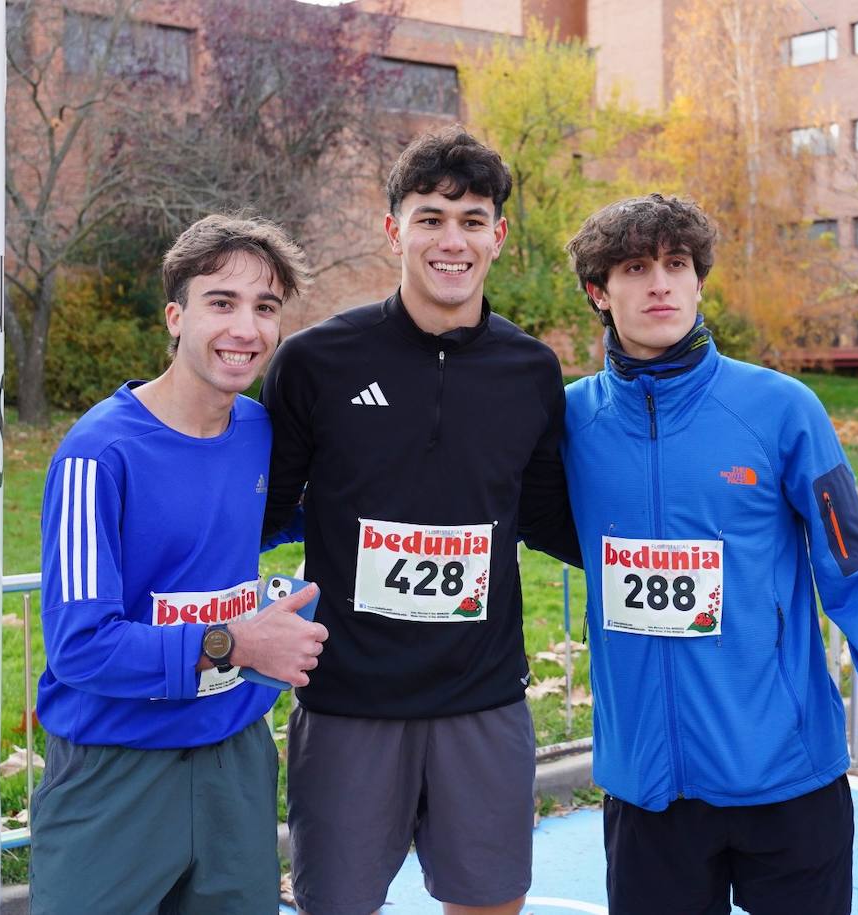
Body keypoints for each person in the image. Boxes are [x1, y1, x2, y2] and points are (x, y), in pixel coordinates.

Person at [561, 194, 858, 915]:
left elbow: (857, 572)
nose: (660, 284)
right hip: (648, 791)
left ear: (700, 281)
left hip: (787, 783)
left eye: (676, 264)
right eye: (635, 268)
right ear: (598, 292)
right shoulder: (571, 421)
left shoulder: (781, 408)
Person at [259, 127, 576, 915]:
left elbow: (545, 516)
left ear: (498, 237)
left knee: (491, 902)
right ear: (394, 229)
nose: (452, 239)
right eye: (430, 217)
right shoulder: (313, 362)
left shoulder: (531, 370)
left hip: (483, 699)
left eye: (472, 219)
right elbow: (260, 510)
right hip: (349, 702)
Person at [29, 214, 330, 914]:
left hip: (235, 759)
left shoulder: (259, 432)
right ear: (175, 316)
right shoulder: (96, 454)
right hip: (116, 768)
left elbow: (273, 516)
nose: (245, 329)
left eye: (265, 308)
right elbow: (80, 646)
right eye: (221, 302)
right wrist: (236, 641)